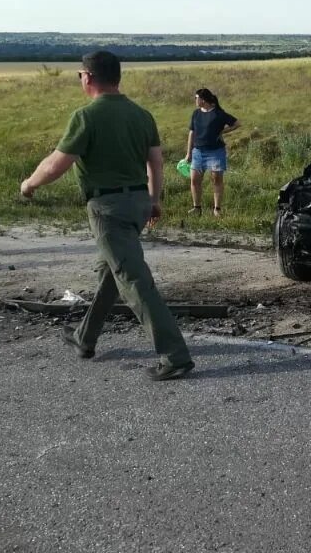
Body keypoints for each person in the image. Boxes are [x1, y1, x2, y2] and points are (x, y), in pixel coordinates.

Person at [19, 50, 195, 381]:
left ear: (88, 77)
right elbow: (155, 162)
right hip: (138, 204)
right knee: (111, 273)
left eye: (80, 75)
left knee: (133, 280)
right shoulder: (142, 115)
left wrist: (28, 185)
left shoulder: (86, 117)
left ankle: (175, 356)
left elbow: (56, 164)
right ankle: (84, 337)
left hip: (108, 210)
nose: (80, 80)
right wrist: (154, 199)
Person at [185, 87, 240, 217]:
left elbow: (237, 123)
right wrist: (189, 153)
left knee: (216, 180)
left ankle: (217, 209)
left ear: (203, 100)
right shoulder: (196, 114)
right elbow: (191, 133)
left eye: (196, 98)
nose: (195, 100)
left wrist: (223, 131)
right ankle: (197, 208)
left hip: (215, 152)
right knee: (194, 180)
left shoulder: (219, 114)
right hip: (198, 151)